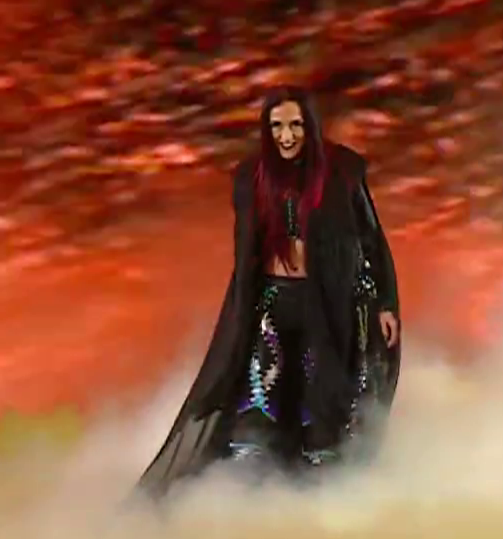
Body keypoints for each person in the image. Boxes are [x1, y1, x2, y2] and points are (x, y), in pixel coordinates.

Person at [137, 86, 401, 502]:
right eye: (277, 126)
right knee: (258, 409)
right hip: (271, 305)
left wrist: (385, 303)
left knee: (322, 410)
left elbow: (371, 240)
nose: (287, 136)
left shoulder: (341, 173)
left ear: (310, 126)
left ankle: (323, 503)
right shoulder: (252, 178)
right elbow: (248, 252)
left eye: (295, 125)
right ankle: (250, 503)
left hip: (325, 307)